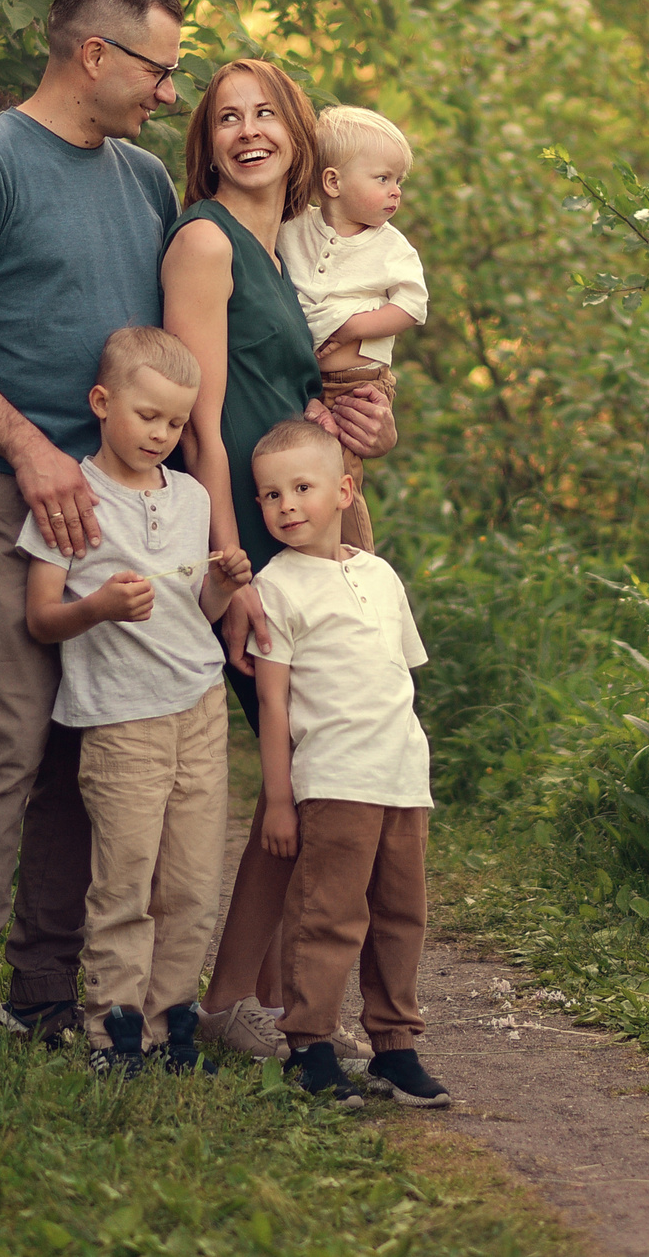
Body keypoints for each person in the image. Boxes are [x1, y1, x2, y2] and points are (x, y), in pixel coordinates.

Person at [0, 0, 186, 1070]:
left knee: (88, 742)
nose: (169, 90)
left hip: (123, 500)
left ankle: (47, 992)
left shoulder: (147, 180)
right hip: (12, 489)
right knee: (5, 738)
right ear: (93, 54)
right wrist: (27, 447)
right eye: (159, 66)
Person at [160, 58, 396, 1062]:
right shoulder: (206, 242)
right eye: (226, 117)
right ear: (205, 140)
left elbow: (330, 377)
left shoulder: (299, 246)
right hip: (252, 538)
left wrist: (362, 420)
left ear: (299, 133)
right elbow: (198, 427)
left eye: (266, 114)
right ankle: (232, 1002)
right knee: (291, 762)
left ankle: (269, 995)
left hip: (321, 526)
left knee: (334, 757)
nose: (248, 130)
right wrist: (231, 571)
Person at [19, 326, 250, 1078]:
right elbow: (41, 617)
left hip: (199, 704)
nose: (162, 433)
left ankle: (171, 1029)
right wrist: (99, 608)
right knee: (125, 882)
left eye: (176, 422)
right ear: (102, 401)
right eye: (147, 415)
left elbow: (199, 609)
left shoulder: (189, 496)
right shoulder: (70, 496)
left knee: (189, 883)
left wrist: (224, 580)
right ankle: (114, 1035)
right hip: (122, 720)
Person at [245, 416, 450, 1109]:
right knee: (328, 914)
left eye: (301, 487)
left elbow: (400, 675)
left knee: (401, 915)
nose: (286, 506)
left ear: (344, 490)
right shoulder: (277, 584)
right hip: (334, 778)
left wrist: (412, 768)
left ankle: (395, 1046)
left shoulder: (379, 574)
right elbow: (272, 702)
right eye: (270, 495)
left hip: (400, 777)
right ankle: (310, 1045)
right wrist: (279, 797)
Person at [277, 105, 427, 552]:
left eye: (399, 181)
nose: (395, 192)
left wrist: (352, 329)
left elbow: (413, 305)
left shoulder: (390, 247)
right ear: (333, 183)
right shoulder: (295, 227)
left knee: (339, 482)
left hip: (358, 387)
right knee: (299, 479)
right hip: (305, 382)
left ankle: (358, 565)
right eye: (383, 179)